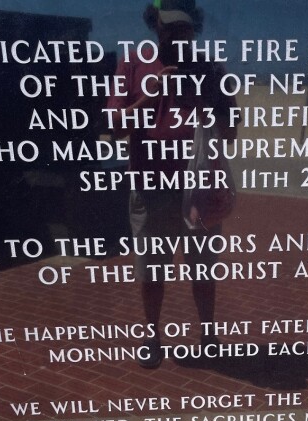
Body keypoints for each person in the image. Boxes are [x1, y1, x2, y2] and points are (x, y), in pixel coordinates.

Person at [107, 0, 236, 368]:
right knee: (151, 269)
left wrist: (210, 97)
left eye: (186, 28)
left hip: (200, 190)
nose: (179, 36)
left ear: (194, 27)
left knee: (203, 268)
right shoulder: (133, 63)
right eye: (170, 28)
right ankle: (152, 336)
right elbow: (116, 127)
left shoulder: (210, 67)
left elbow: (230, 134)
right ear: (155, 26)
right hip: (150, 188)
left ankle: (208, 333)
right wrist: (153, 93)